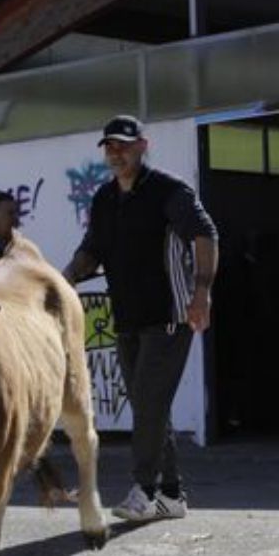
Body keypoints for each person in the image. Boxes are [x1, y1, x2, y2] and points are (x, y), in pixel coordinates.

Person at [61, 114, 218, 522]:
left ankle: (144, 491)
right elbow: (91, 250)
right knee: (151, 406)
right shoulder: (104, 198)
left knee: (148, 402)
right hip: (127, 317)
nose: (116, 153)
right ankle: (171, 494)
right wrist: (63, 281)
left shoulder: (170, 191)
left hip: (170, 316)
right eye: (110, 146)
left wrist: (202, 292)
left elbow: (206, 235)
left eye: (123, 145)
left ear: (142, 146)